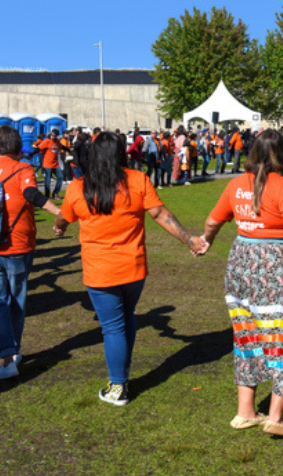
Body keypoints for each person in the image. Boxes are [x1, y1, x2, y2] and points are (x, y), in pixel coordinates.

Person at [54, 132, 206, 405]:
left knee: (113, 327)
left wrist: (59, 227)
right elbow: (160, 214)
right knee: (126, 319)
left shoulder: (78, 187)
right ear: (121, 153)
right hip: (133, 269)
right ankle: (121, 375)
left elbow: (64, 217)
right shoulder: (136, 180)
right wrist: (189, 239)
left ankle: (118, 386)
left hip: (101, 272)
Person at [201, 129, 283, 437]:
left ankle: (245, 412)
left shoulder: (235, 184)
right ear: (282, 154)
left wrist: (206, 241)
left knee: (248, 335)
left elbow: (212, 221)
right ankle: (275, 417)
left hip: (242, 265)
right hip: (278, 268)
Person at [0, 126, 61, 379]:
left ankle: (8, 356)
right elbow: (31, 194)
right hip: (16, 245)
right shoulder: (23, 169)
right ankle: (14, 352)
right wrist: (60, 213)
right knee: (16, 301)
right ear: (16, 147)